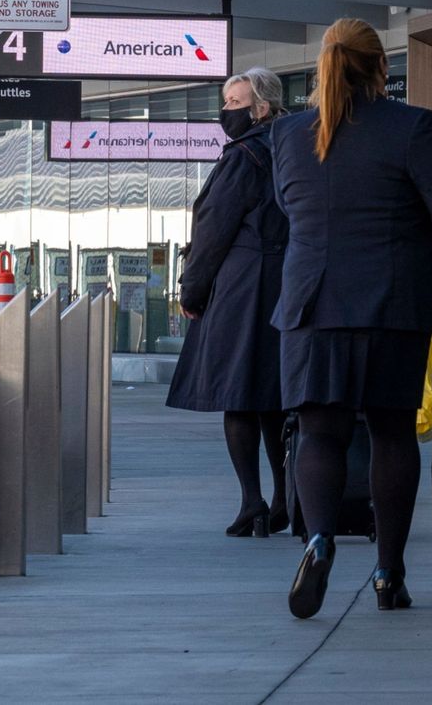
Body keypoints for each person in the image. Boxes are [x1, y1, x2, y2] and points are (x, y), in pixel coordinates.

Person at [270, 19, 432, 619]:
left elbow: (291, 207)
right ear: (380, 69)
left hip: (311, 307)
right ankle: (389, 574)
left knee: (319, 433)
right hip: (393, 306)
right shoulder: (411, 126)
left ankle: (318, 540)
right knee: (392, 434)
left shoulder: (287, 135)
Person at [166, 68, 291, 538]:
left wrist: (192, 290)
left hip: (242, 286)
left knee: (237, 393)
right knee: (276, 395)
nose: (226, 112)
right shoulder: (297, 145)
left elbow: (213, 230)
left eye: (234, 103)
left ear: (259, 107)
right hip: (288, 281)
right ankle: (285, 497)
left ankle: (251, 501)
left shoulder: (243, 156)